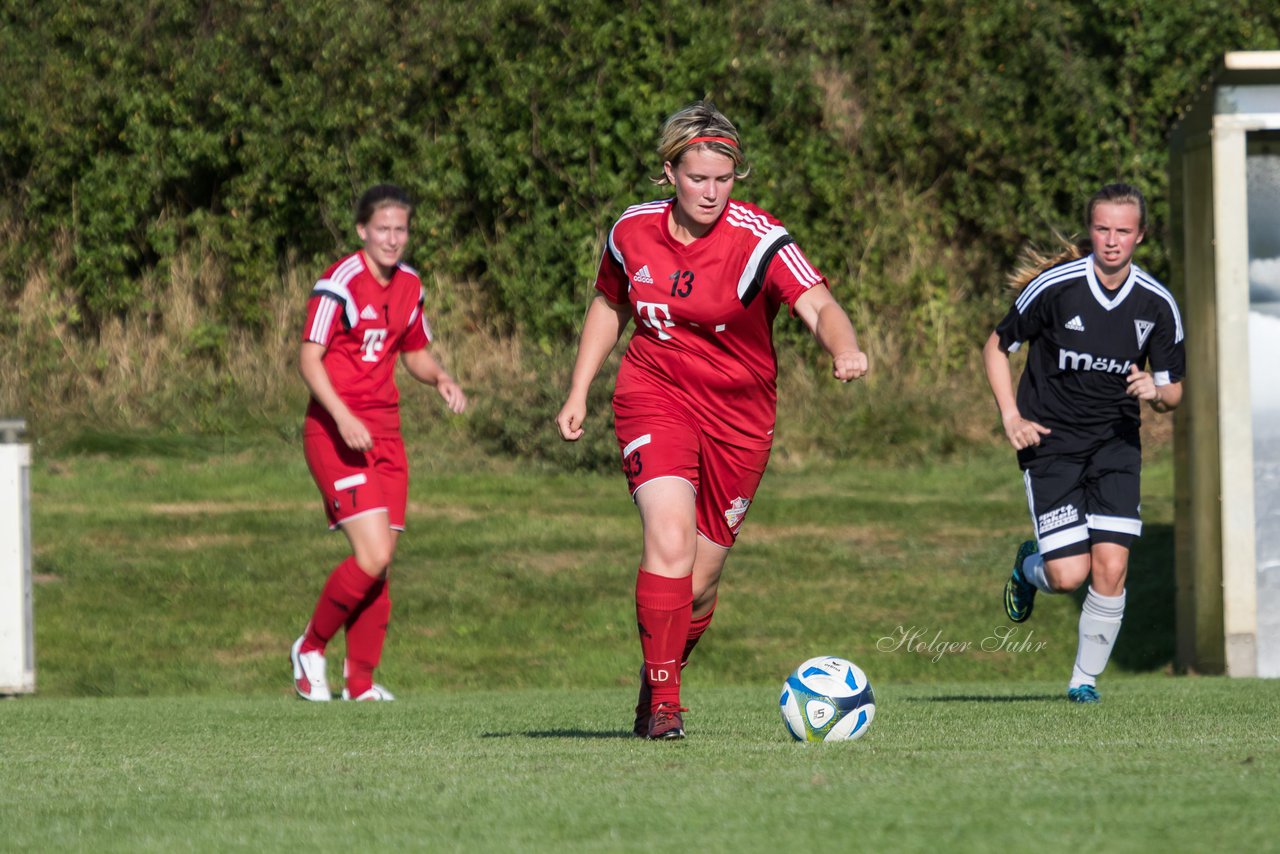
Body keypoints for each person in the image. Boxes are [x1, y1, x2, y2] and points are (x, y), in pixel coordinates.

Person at [555, 101, 869, 739]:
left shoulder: (759, 239)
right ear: (669, 172)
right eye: (698, 178)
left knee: (696, 586)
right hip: (654, 393)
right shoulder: (631, 231)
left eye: (724, 178)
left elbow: (820, 304)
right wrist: (578, 389)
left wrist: (845, 348)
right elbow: (609, 305)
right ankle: (667, 709)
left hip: (739, 418)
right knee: (666, 540)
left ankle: (655, 682)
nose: (712, 192)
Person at [982, 182, 1185, 703]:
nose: (1111, 240)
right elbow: (997, 347)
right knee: (1068, 576)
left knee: (1112, 566)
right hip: (1049, 443)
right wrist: (1011, 417)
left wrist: (1156, 392)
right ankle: (1030, 567)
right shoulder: (1057, 287)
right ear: (1090, 229)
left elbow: (1175, 391)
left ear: (1140, 235)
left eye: (1123, 230)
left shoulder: (1157, 303)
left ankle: (1083, 682)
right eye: (1102, 228)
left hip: (1115, 446)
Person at [290, 184, 467, 702]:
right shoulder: (339, 283)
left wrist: (440, 379)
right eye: (383, 229)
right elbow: (308, 358)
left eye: (401, 229)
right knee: (369, 553)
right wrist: (341, 415)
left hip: (386, 434)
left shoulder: (410, 285)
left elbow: (414, 352)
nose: (393, 239)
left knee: (381, 559)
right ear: (362, 230)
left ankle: (361, 685)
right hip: (336, 431)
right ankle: (310, 646)